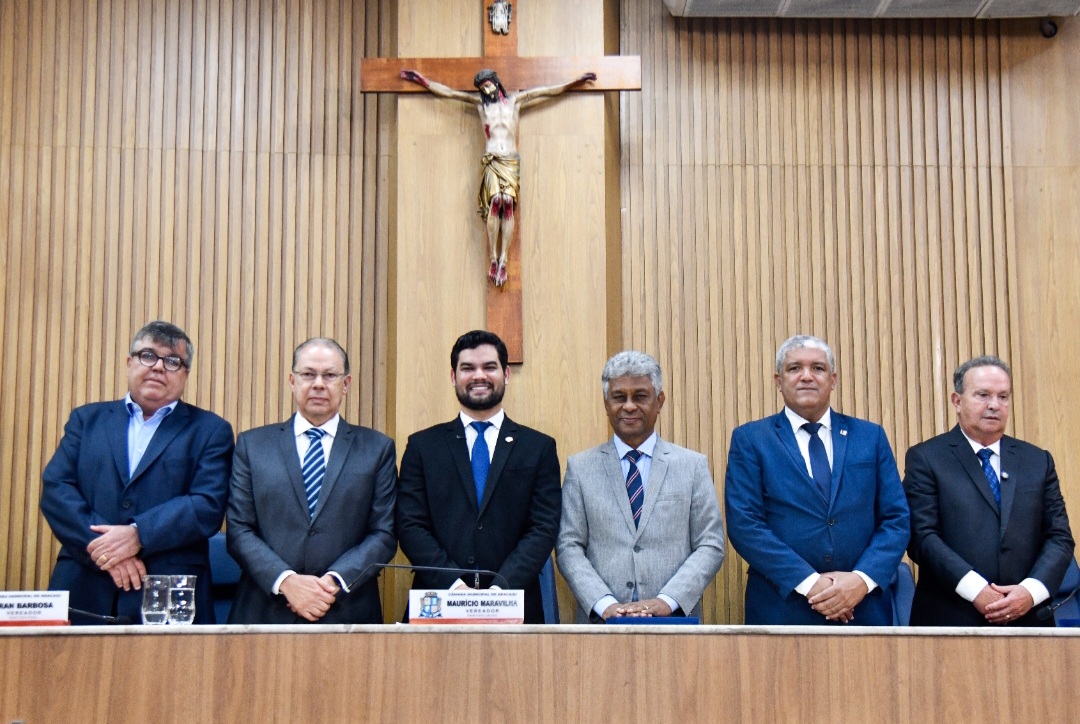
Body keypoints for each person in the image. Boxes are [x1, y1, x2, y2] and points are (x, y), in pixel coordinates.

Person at [40, 321, 234, 624]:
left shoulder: (211, 431)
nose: (158, 367)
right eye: (148, 355)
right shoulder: (87, 420)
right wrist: (105, 552)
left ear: (185, 374)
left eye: (172, 361)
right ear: (130, 363)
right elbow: (56, 488)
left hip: (168, 591)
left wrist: (138, 534)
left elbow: (207, 504)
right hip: (84, 582)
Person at [724, 334, 910, 625]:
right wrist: (811, 584)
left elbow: (896, 518)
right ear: (778, 380)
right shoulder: (751, 439)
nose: (807, 376)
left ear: (833, 379)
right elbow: (745, 524)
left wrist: (861, 581)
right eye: (795, 368)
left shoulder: (870, 436)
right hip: (782, 607)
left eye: (818, 368)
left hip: (863, 607)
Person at [226, 338, 397, 624]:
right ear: (292, 381)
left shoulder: (376, 448)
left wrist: (330, 584)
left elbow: (384, 532)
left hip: (346, 608)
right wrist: (288, 582)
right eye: (308, 374)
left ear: (346, 384)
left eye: (330, 375)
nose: (318, 383)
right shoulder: (252, 445)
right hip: (265, 609)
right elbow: (239, 529)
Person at [396, 330, 561, 623]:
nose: (478, 376)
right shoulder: (422, 446)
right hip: (438, 601)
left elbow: (543, 528)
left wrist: (500, 589)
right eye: (468, 368)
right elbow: (410, 525)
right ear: (453, 376)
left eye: (489, 367)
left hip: (516, 604)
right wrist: (454, 586)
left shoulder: (539, 448)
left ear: (506, 374)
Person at [904, 355, 1074, 626]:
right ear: (957, 401)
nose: (994, 405)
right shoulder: (927, 458)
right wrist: (977, 591)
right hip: (950, 618)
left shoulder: (1037, 460)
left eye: (1003, 397)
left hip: (1029, 620)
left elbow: (1059, 537)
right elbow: (922, 537)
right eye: (983, 395)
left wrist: (1029, 592)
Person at [556, 351, 725, 622]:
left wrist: (666, 601)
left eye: (640, 396)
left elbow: (710, 543)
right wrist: (604, 603)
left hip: (675, 621)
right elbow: (568, 546)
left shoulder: (691, 466)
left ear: (659, 401)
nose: (629, 406)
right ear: (606, 403)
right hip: (600, 626)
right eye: (619, 397)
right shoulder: (580, 468)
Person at [399, 68, 595, 286]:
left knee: (509, 204)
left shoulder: (516, 101)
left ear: (496, 82)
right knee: (496, 203)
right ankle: (493, 257)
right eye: (483, 87)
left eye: (489, 84)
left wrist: (574, 82)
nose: (487, 89)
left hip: (510, 160)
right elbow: (451, 93)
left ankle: (504, 259)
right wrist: (423, 80)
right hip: (492, 158)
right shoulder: (480, 105)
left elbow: (547, 91)